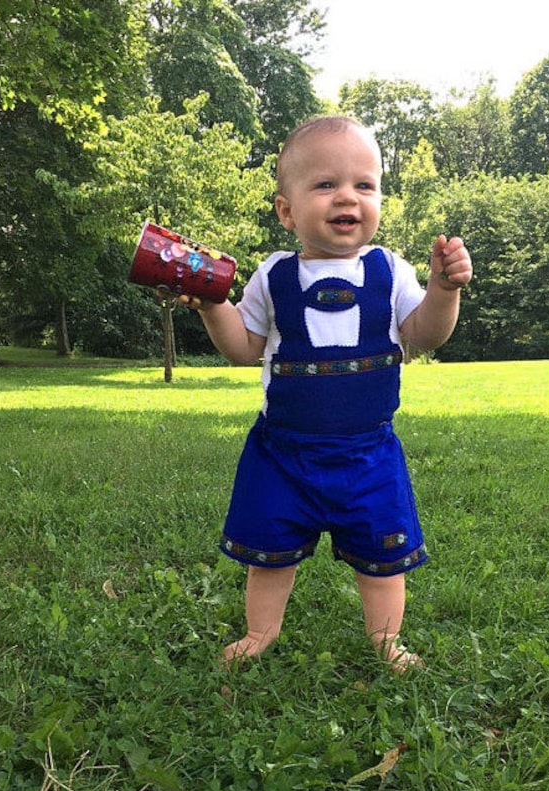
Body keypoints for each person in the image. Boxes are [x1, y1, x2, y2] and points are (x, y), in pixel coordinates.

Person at [177, 115, 472, 671]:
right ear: (287, 210)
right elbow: (244, 348)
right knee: (269, 556)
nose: (348, 198)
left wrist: (443, 290)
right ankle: (260, 633)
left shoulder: (390, 270)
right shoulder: (273, 276)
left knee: (383, 562)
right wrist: (216, 306)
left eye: (364, 185)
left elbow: (422, 337)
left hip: (369, 454)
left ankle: (387, 642)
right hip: (283, 453)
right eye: (325, 184)